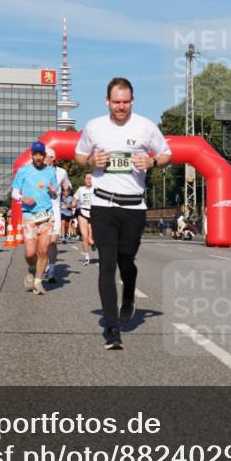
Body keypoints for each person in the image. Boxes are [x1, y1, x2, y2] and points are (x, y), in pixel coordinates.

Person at [75, 77, 172, 349]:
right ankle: (112, 328)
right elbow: (79, 156)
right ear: (107, 101)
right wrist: (91, 161)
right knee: (107, 264)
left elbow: (167, 154)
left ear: (133, 101)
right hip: (103, 205)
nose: (121, 107)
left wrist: (152, 161)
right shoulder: (94, 127)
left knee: (126, 261)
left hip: (134, 207)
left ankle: (128, 293)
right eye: (116, 102)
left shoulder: (145, 127)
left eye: (125, 102)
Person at [11, 141, 59, 295]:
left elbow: (55, 192)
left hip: (46, 215)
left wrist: (53, 191)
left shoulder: (51, 172)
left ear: (44, 156)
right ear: (31, 156)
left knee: (44, 249)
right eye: (35, 154)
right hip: (29, 216)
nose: (38, 157)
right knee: (30, 253)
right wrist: (23, 198)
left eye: (41, 154)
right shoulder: (23, 171)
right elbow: (14, 193)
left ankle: (38, 281)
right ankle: (32, 268)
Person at [43, 147, 72, 284]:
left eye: (45, 156)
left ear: (52, 158)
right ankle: (39, 264)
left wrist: (66, 188)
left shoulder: (62, 172)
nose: (42, 158)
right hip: (40, 211)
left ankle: (51, 271)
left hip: (55, 211)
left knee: (53, 241)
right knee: (42, 244)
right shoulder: (36, 172)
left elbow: (67, 184)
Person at [74, 172, 96, 266]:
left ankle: (93, 242)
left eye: (91, 178)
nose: (89, 180)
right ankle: (87, 257)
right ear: (84, 180)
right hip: (82, 212)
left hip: (93, 213)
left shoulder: (96, 189)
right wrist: (73, 203)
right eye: (87, 178)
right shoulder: (81, 189)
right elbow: (75, 198)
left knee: (90, 239)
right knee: (85, 236)